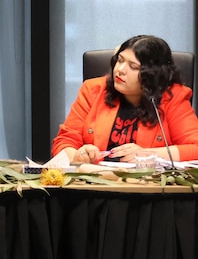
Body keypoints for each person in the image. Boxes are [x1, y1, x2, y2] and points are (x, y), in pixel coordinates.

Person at [52, 35, 198, 163]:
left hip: (146, 187)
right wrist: (77, 157)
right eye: (119, 60)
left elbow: (195, 148)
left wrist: (149, 155)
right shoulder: (94, 90)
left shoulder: (172, 97)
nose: (120, 69)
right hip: (95, 182)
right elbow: (65, 141)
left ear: (153, 75)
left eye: (133, 67)